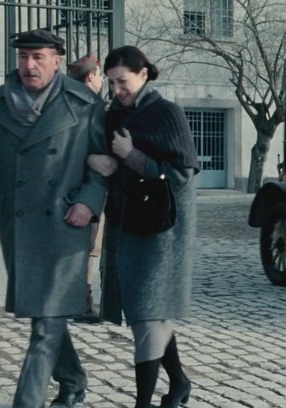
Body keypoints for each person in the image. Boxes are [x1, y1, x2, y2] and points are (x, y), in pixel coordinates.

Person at [0, 29, 106, 408]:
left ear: (56, 60)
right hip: (18, 223)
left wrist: (88, 203)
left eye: (38, 57)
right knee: (45, 312)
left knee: (46, 322)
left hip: (65, 222)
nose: (29, 65)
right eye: (23, 57)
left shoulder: (83, 102)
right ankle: (73, 379)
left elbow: (101, 163)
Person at [90, 45, 200, 407]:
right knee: (148, 312)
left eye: (122, 81)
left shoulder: (167, 113)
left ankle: (142, 403)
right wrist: (97, 159)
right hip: (127, 226)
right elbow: (97, 151)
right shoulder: (114, 115)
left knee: (147, 315)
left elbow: (181, 176)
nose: (117, 89)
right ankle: (179, 383)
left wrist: (132, 156)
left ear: (144, 74)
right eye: (111, 83)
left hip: (162, 231)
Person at [68, 53, 105, 324]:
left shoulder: (66, 101)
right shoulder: (92, 105)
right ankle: (82, 301)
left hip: (70, 188)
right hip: (89, 188)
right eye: (100, 75)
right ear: (91, 76)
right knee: (91, 248)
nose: (103, 80)